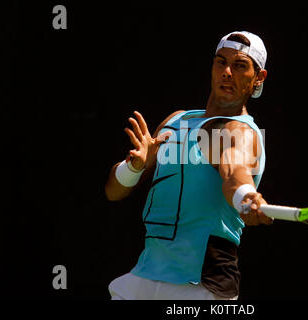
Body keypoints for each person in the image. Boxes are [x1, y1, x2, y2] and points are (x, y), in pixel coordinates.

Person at [105, 31, 272, 300]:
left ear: (258, 78)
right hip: (143, 277)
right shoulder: (176, 121)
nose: (227, 72)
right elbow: (113, 192)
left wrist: (245, 198)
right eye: (221, 62)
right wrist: (134, 167)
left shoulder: (240, 132)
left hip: (202, 287)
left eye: (240, 65)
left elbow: (234, 173)